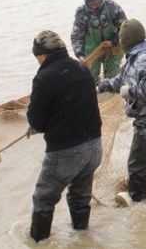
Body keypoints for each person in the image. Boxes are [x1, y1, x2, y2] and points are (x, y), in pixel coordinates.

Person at [26, 30, 102, 242]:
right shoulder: (82, 67)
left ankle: (38, 242)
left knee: (43, 200)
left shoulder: (44, 77)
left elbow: (38, 122)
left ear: (42, 55)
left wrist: (31, 123)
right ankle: (82, 237)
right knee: (80, 198)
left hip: (66, 152)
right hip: (94, 147)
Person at [98, 19, 146, 203]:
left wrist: (130, 92)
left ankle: (141, 211)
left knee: (136, 170)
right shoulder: (137, 56)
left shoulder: (143, 59)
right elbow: (120, 79)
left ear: (126, 41)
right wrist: (100, 87)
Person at [71, 0, 127, 83]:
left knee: (112, 76)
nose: (95, 6)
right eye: (92, 4)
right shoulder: (81, 13)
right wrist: (80, 55)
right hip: (92, 50)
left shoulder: (112, 7)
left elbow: (125, 29)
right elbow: (76, 36)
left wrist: (113, 41)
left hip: (113, 47)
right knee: (90, 79)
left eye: (97, 2)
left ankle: (113, 94)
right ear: (86, 2)